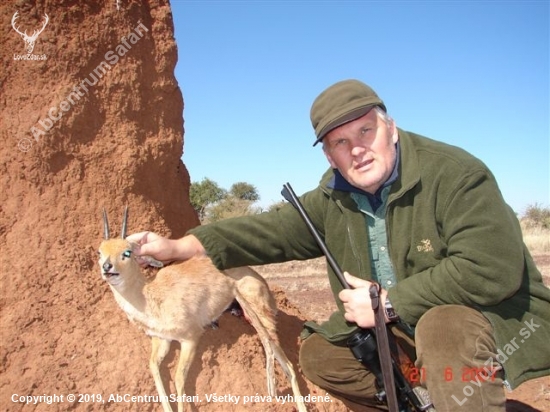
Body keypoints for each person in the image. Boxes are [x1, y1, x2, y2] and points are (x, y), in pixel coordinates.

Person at [127, 79, 550, 411]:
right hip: (404, 333)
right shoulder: (335, 195)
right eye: (340, 142)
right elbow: (270, 232)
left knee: (444, 328)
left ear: (391, 128)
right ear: (329, 156)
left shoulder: (456, 174)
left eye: (366, 130)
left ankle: (460, 395)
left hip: (492, 322)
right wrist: (182, 246)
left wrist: (389, 302)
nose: (357, 150)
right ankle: (426, 397)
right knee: (322, 356)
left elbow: (490, 268)